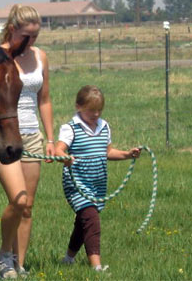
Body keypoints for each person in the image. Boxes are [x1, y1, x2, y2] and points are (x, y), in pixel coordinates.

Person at [0, 4, 55, 279]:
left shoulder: (40, 57)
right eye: (28, 35)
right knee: (18, 199)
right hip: (3, 137)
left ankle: (18, 266)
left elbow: (45, 99)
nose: (32, 41)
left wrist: (51, 139)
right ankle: (4, 256)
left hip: (33, 137)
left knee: (27, 208)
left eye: (36, 35)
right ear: (13, 30)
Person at [54, 85, 141, 272]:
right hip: (77, 184)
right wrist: (64, 156)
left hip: (97, 184)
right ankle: (97, 267)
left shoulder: (104, 126)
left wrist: (127, 154)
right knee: (91, 219)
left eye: (99, 110)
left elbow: (108, 151)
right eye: (91, 110)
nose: (96, 114)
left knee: (84, 221)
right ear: (79, 107)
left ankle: (68, 258)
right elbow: (59, 149)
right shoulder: (71, 128)